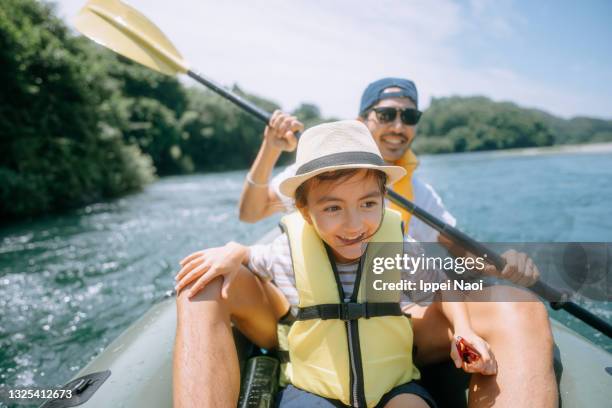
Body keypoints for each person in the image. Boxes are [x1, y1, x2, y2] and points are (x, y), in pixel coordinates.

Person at [232, 78, 558, 406]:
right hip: (317, 323)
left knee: (515, 304)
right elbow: (250, 213)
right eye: (386, 115)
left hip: (397, 319)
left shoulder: (423, 195)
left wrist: (504, 267)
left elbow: (453, 259)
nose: (398, 126)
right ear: (362, 121)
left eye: (409, 117)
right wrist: (271, 148)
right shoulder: (311, 177)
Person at [175, 121, 498, 408]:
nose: (353, 225)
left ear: (383, 199)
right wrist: (235, 250)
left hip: (392, 386)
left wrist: (463, 330)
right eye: (333, 208)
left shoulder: (399, 251)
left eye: (368, 204)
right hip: (312, 389)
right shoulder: (286, 251)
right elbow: (251, 258)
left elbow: (443, 286)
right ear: (305, 212)